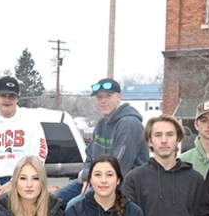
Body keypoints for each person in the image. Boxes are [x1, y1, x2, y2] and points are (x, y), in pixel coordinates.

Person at [54, 78, 147, 207]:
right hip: (96, 181)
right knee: (51, 201)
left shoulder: (129, 124)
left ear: (119, 96)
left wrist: (86, 175)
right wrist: (87, 173)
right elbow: (90, 157)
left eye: (108, 96)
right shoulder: (101, 124)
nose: (103, 101)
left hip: (121, 188)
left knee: (73, 207)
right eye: (99, 97)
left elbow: (117, 169)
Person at [0, 76, 47, 206]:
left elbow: (38, 155)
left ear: (18, 99)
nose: (7, 100)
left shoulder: (31, 124)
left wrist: (14, 182)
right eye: (3, 95)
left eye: (11, 96)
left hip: (23, 180)